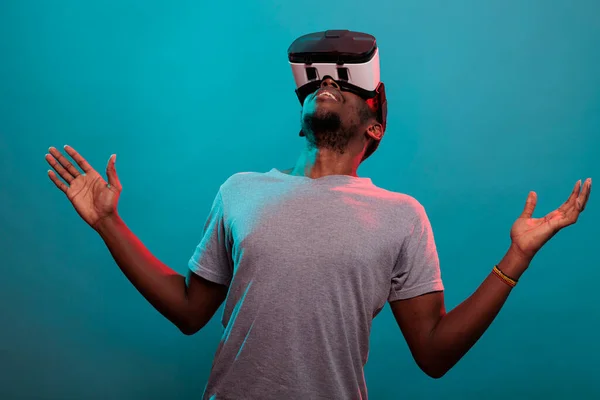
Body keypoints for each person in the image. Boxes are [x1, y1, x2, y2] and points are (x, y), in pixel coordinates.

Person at [46, 79, 591, 399]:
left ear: (373, 125)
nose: (328, 80)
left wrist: (517, 256)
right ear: (302, 119)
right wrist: (109, 224)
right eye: (319, 81)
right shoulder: (240, 191)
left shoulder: (403, 215)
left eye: (347, 82)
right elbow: (191, 310)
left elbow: (433, 353)